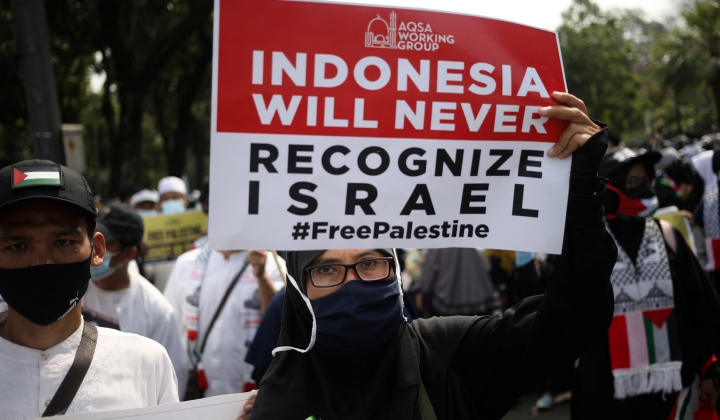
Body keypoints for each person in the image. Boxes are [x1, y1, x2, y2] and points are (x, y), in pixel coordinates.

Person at [244, 92, 618, 419]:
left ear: (394, 270)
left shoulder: (449, 355)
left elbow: (572, 318)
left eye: (370, 263)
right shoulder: (277, 403)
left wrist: (578, 197)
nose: (353, 282)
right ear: (299, 288)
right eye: (327, 269)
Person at [0, 160, 178, 419]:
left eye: (63, 242)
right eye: (18, 246)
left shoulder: (146, 363)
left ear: (98, 250)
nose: (41, 261)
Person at [571, 148, 720, 420]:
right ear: (608, 188)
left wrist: (708, 366)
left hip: (672, 388)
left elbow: (699, 305)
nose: (644, 189)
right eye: (633, 182)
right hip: (608, 390)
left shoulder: (668, 236)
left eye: (645, 181)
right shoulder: (588, 246)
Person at [163, 183, 283, 398]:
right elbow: (170, 330)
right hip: (200, 392)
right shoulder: (187, 264)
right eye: (223, 203)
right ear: (207, 205)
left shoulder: (272, 265)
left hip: (254, 395)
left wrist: (262, 275)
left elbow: (279, 325)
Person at [82, 202, 188, 397]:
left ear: (129, 254)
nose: (93, 247)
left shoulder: (157, 311)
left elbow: (173, 379)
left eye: (104, 242)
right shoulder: (72, 287)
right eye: (91, 237)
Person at [411, 248, 501, 317]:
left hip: (445, 307)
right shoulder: (472, 241)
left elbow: (429, 269)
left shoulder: (440, 240)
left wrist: (421, 291)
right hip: (476, 305)